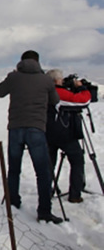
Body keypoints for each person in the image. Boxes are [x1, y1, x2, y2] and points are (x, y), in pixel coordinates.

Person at [0, 50, 63, 224]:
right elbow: (55, 101)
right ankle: (44, 211)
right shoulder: (46, 80)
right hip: (36, 128)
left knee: (14, 169)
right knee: (42, 172)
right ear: (38, 62)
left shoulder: (14, 77)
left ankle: (13, 202)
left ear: (21, 61)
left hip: (16, 128)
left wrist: (13, 78)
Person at [46, 69, 91, 203]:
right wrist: (81, 88)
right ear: (55, 81)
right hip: (65, 134)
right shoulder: (59, 93)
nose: (63, 81)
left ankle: (46, 192)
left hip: (47, 133)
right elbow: (83, 100)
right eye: (61, 79)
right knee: (77, 161)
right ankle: (75, 194)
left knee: (49, 164)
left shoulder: (44, 92)